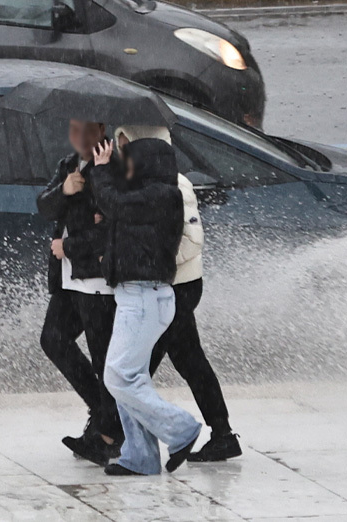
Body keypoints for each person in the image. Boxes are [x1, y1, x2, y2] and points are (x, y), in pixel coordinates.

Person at [115, 126, 240, 462]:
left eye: (129, 146)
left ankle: (117, 434)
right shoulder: (138, 182)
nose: (122, 152)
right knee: (187, 359)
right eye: (121, 145)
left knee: (135, 367)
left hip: (178, 287)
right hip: (163, 286)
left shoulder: (176, 185)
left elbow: (193, 239)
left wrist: (154, 260)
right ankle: (222, 433)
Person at [92, 137, 202, 476]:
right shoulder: (148, 195)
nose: (127, 169)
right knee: (130, 377)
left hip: (144, 298)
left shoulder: (163, 195)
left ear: (147, 163)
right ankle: (140, 457)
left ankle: (181, 428)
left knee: (118, 376)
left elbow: (116, 202)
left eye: (130, 162)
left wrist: (100, 173)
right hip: (139, 296)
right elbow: (118, 205)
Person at [37, 119, 122, 465]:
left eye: (85, 131)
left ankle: (108, 434)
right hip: (69, 280)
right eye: (72, 130)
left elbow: (113, 229)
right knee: (53, 338)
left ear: (101, 130)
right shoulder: (68, 165)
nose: (78, 138)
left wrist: (69, 246)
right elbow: (43, 206)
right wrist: (65, 191)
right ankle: (103, 415)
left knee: (105, 362)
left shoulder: (114, 167)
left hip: (98, 282)